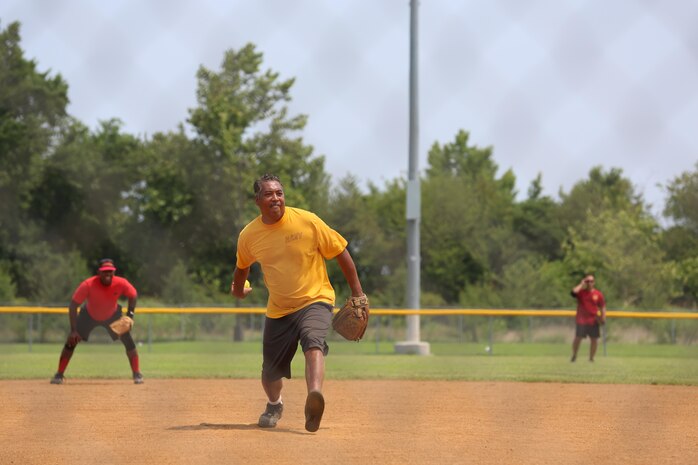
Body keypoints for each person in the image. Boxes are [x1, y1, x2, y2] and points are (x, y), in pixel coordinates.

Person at [231, 174, 366, 432]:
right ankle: (274, 403)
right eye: (269, 194)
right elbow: (241, 268)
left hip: (316, 298)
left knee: (313, 341)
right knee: (270, 372)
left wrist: (357, 293)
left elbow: (340, 251)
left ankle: (314, 396)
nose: (276, 198)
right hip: (279, 308)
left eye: (279, 193)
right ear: (257, 200)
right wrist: (238, 291)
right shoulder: (249, 235)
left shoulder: (307, 221)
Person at [50, 258, 144, 384]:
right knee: (71, 342)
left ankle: (137, 374)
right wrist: (73, 331)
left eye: (110, 271)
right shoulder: (88, 284)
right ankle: (59, 375)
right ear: (99, 272)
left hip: (112, 315)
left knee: (128, 341)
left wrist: (129, 316)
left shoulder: (121, 283)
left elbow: (133, 295)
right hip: (89, 315)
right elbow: (73, 306)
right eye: (105, 271)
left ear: (114, 272)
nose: (108, 274)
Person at [570, 274, 606, 362]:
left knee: (594, 340)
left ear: (594, 282)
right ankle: (574, 355)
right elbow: (573, 293)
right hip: (581, 320)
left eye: (591, 281)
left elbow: (602, 307)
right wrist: (581, 284)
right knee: (578, 338)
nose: (590, 283)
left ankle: (591, 358)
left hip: (593, 320)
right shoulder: (581, 292)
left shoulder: (598, 294)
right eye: (588, 281)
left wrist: (603, 317)